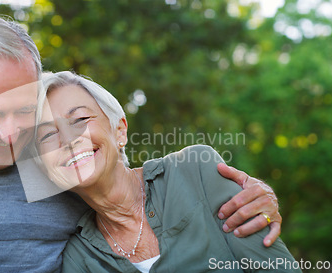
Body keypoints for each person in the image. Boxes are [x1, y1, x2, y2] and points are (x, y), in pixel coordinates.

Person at [0, 16, 280, 272]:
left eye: (25, 109)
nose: (12, 133)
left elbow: (124, 178)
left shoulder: (50, 166)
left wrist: (251, 196)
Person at [34, 71, 299, 272]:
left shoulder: (196, 170)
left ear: (120, 130)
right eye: (47, 135)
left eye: (80, 119)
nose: (68, 139)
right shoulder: (77, 259)